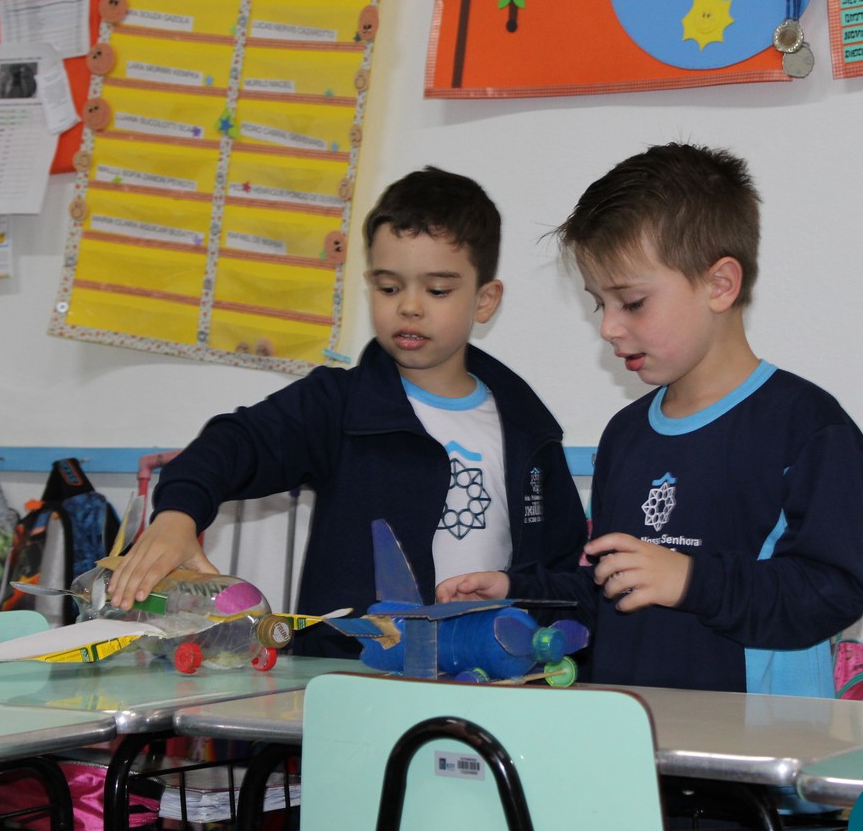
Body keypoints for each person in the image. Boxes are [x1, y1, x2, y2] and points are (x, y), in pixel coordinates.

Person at [438, 143, 863, 698]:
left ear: (720, 285)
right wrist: (517, 593)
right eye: (600, 304)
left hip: (753, 742)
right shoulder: (626, 435)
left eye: (633, 302)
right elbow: (606, 586)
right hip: (631, 734)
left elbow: (830, 594)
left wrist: (689, 580)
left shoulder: (808, 428)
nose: (608, 328)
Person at [108, 166, 589, 659]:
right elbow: (233, 443)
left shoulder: (528, 431)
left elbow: (566, 581)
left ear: (484, 301)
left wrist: (514, 591)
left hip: (486, 682)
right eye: (389, 287)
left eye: (438, 290)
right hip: (350, 681)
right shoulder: (338, 404)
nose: (410, 307)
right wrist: (177, 517)